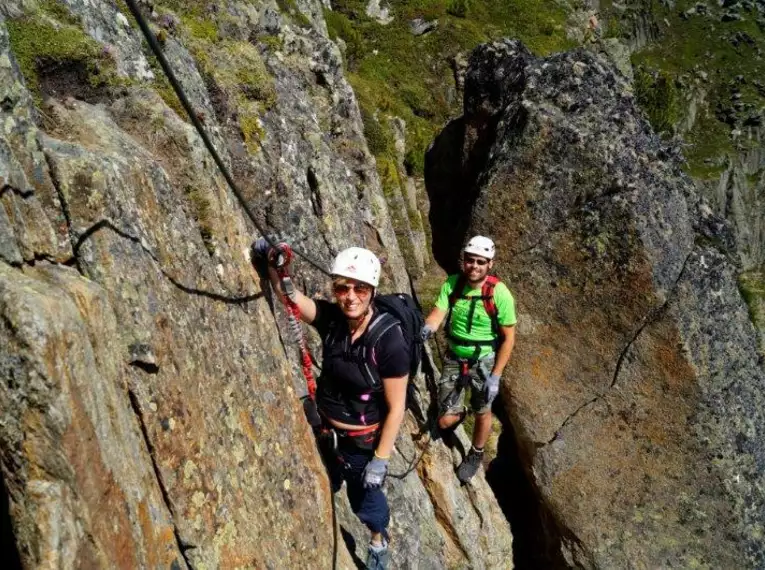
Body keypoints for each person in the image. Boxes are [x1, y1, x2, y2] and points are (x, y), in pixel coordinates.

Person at [254, 239, 408, 570]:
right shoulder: (334, 320)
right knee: (330, 477)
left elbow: (397, 407)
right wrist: (273, 263)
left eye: (361, 289)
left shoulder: (388, 340)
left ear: (372, 291)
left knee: (364, 501)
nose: (350, 297)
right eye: (342, 288)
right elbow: (291, 299)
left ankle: (378, 543)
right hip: (325, 425)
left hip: (360, 444)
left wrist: (380, 460)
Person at [421, 236, 516, 483]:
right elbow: (437, 314)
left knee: (483, 410)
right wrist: (427, 329)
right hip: (455, 357)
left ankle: (475, 454)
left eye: (480, 262)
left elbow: (508, 338)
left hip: (483, 361)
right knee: (444, 421)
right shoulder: (453, 284)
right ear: (464, 261)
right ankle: (459, 412)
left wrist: (495, 376)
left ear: (490, 264)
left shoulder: (499, 294)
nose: (474, 266)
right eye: (470, 260)